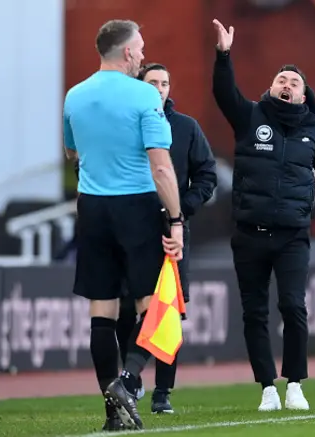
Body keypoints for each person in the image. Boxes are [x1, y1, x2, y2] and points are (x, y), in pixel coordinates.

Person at [211, 19, 315, 412]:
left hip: (291, 236)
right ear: (270, 88)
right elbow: (222, 92)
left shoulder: (314, 133)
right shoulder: (249, 117)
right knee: (254, 311)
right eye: (281, 79)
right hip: (249, 233)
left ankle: (296, 384)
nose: (286, 84)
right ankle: (267, 387)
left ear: (304, 96)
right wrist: (223, 55)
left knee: (293, 306)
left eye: (294, 82)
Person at [62, 20, 184, 431]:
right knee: (152, 304)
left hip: (91, 207)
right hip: (135, 206)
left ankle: (111, 411)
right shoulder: (144, 95)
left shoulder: (74, 95)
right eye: (141, 49)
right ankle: (128, 381)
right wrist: (177, 220)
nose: (144, 55)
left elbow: (70, 150)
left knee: (102, 308)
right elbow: (162, 166)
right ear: (128, 52)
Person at [115, 62, 218, 414]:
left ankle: (163, 392)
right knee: (128, 308)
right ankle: (133, 377)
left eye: (165, 82)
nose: (160, 88)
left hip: (172, 229)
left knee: (168, 310)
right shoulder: (125, 126)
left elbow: (207, 174)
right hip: (129, 227)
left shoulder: (187, 128)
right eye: (153, 82)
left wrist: (182, 209)